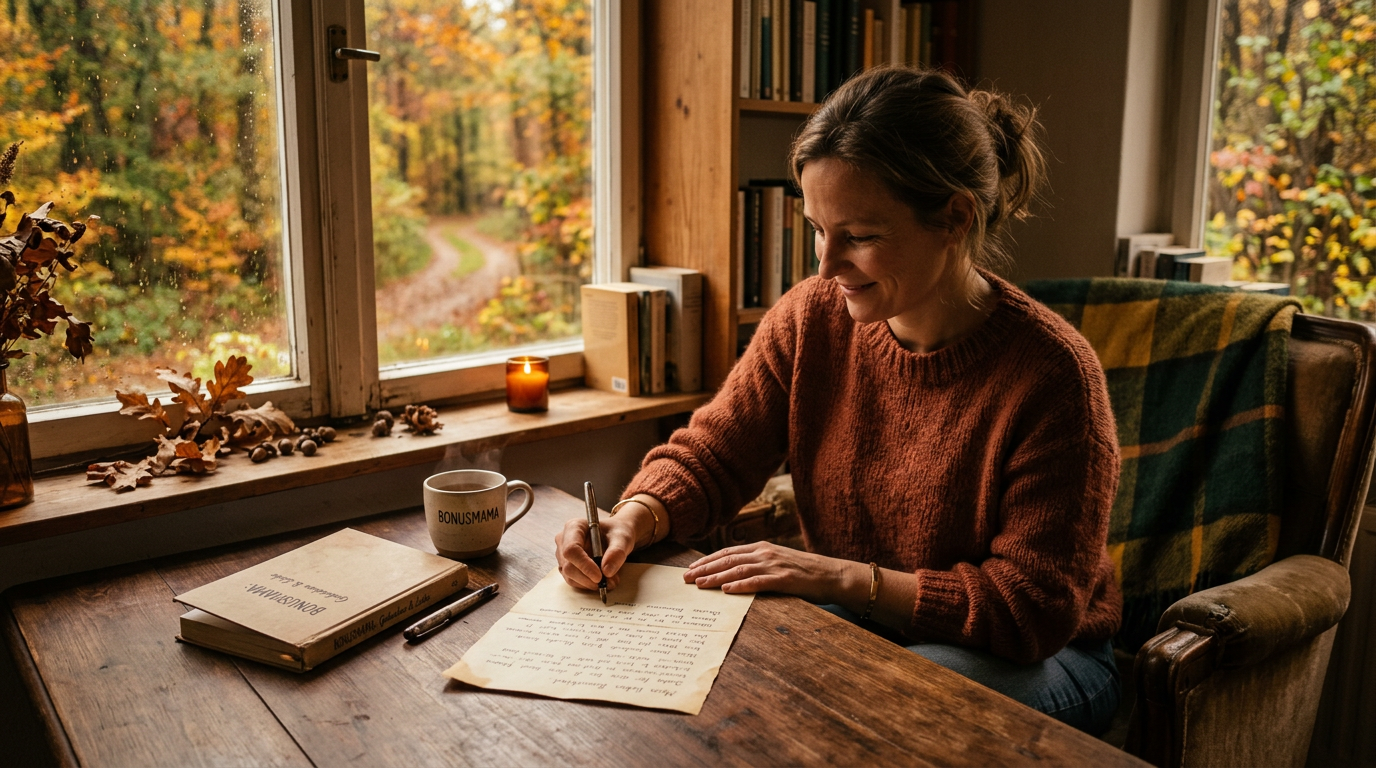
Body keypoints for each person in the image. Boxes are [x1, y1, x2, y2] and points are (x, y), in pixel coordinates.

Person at [555, 65, 1123, 735]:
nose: (826, 265)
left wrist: (836, 577)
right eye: (817, 229)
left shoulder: (1054, 377)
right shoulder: (810, 319)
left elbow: (1030, 609)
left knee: (890, 702)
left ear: (954, 217)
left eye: (859, 237)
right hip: (869, 615)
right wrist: (634, 516)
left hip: (1042, 655)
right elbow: (712, 454)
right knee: (734, 660)